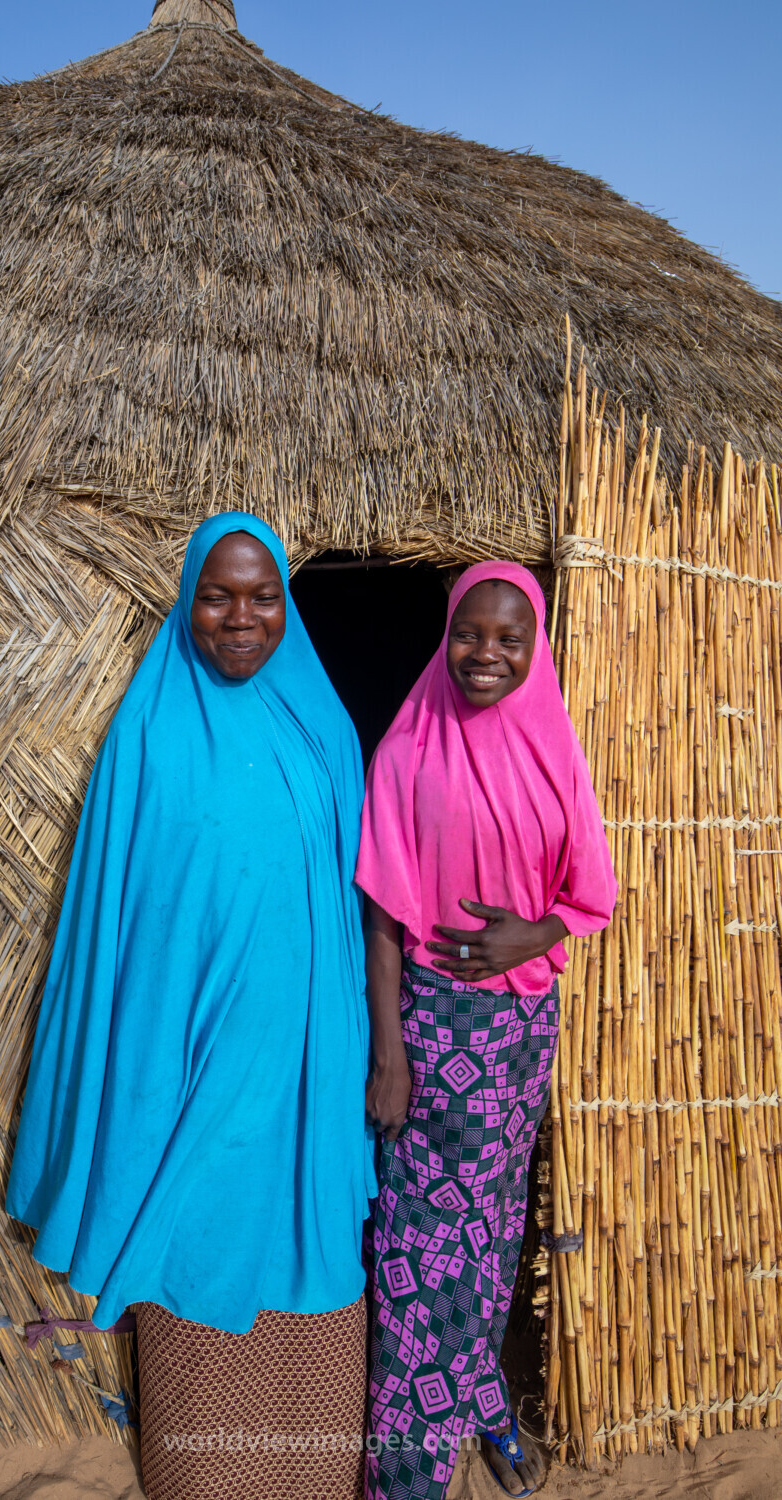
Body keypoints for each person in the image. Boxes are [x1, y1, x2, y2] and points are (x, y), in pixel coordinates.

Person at [6, 512, 375, 1500]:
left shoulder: (323, 729)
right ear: (187, 600)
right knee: (193, 1237)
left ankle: (304, 1466)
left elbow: (349, 916)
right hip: (189, 1077)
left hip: (301, 1078)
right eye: (218, 595)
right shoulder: (150, 733)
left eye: (262, 595)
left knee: (306, 1251)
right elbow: (118, 930)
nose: (240, 617)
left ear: (287, 605)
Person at [356, 562, 616, 1500]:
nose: (486, 655)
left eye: (510, 638)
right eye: (471, 634)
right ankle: (409, 1469)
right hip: (428, 1028)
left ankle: (483, 1406)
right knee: (420, 1244)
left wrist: (533, 931)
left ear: (534, 644)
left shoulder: (555, 749)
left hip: (518, 1032)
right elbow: (382, 912)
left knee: (493, 1231)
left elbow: (587, 891)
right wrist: (389, 1052)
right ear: (446, 635)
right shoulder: (408, 748)